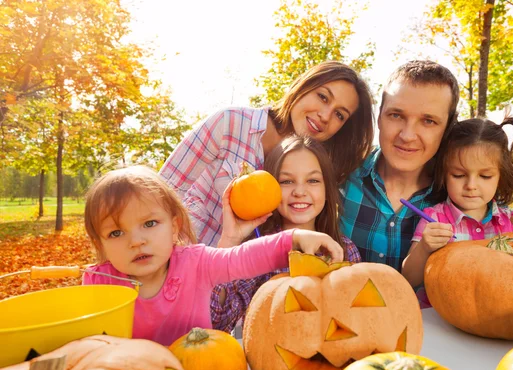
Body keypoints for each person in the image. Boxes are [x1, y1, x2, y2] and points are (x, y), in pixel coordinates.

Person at [81, 166, 343, 346]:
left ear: (174, 226)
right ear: (100, 242)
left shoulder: (196, 263)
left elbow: (243, 257)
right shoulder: (98, 282)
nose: (136, 241)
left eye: (149, 224)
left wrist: (293, 238)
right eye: (116, 233)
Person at [159, 61, 374, 246]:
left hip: (242, 284)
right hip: (180, 262)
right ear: (303, 87)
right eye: (323, 97)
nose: (325, 115)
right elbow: (162, 192)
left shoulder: (316, 171)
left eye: (339, 114)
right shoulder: (232, 123)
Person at [210, 136, 362, 333]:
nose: (299, 191)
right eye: (287, 181)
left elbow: (358, 315)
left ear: (327, 188)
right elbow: (217, 321)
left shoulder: (344, 249)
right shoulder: (256, 251)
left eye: (313, 180)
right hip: (271, 355)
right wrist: (230, 241)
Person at [402, 117, 513, 307]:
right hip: (440, 316)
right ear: (444, 173)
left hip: (498, 313)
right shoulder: (434, 219)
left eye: (485, 176)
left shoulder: (511, 222)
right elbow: (409, 277)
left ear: (500, 176)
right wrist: (424, 247)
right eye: (458, 175)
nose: (471, 186)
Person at [340, 60, 460, 271]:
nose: (407, 135)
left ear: (448, 128)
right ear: (379, 116)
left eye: (428, 121)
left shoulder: (458, 195)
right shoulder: (341, 174)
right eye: (396, 115)